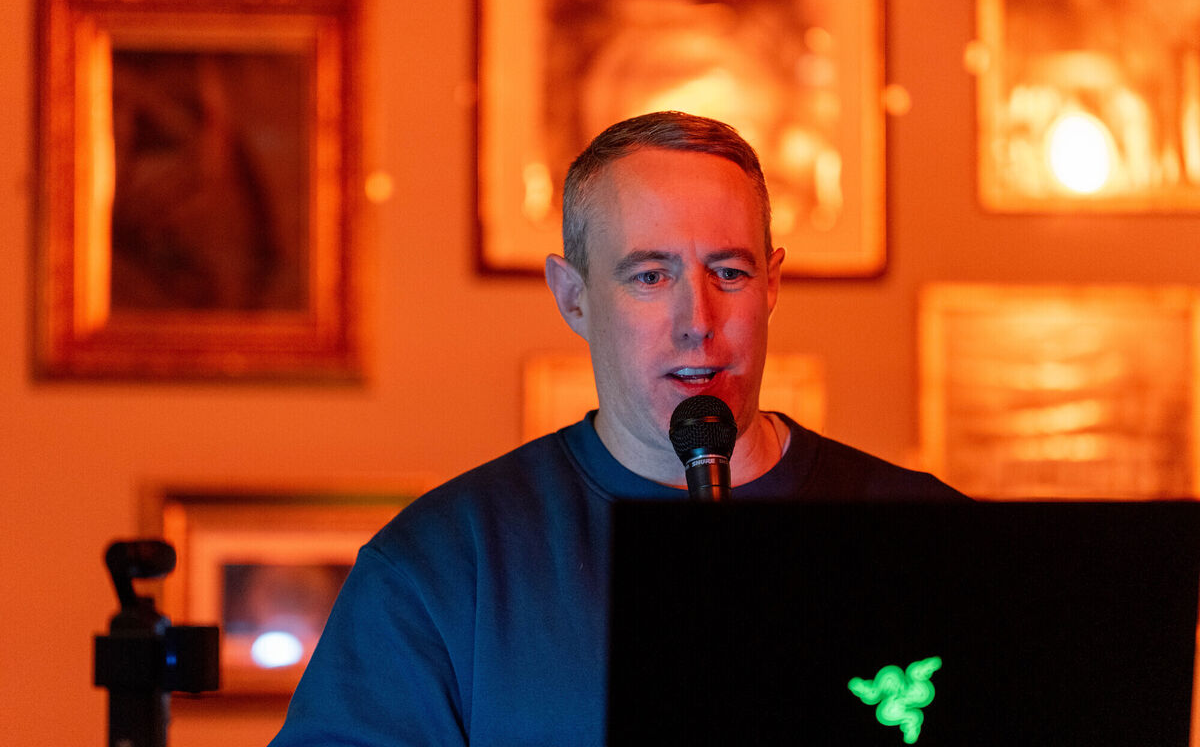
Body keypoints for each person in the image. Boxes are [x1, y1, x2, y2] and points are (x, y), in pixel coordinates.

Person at [269, 111, 964, 746]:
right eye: (649, 277)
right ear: (574, 297)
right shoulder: (444, 565)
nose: (699, 319)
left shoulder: (929, 535)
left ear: (772, 286)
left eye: (729, 271)